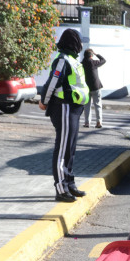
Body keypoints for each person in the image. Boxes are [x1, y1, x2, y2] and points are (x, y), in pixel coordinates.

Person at [39, 28, 89, 202]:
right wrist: (44, 101)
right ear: (73, 42)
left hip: (74, 109)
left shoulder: (73, 60)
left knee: (70, 148)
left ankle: (69, 183)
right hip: (64, 108)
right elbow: (52, 82)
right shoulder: (62, 60)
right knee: (62, 150)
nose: (81, 45)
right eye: (79, 41)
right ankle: (61, 189)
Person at [81, 48, 106, 129]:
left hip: (86, 88)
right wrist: (96, 54)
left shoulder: (82, 63)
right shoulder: (94, 62)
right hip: (96, 87)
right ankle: (98, 122)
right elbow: (103, 60)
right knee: (97, 105)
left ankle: (87, 122)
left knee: (87, 105)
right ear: (91, 56)